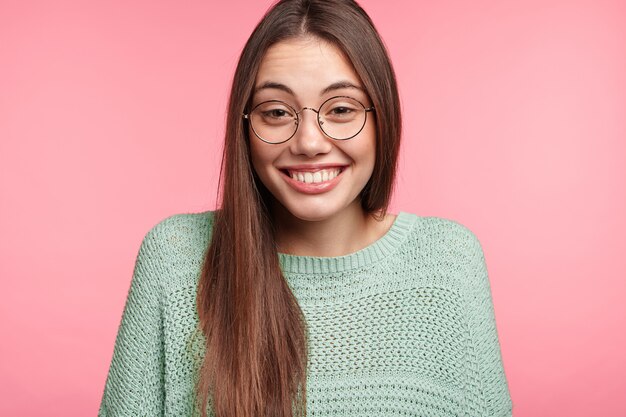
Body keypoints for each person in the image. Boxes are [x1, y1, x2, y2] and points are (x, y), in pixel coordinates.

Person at [98, 0, 513, 416]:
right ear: (245, 127)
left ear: (382, 117)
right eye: (277, 112)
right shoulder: (176, 260)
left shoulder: (448, 262)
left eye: (342, 109)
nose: (310, 143)